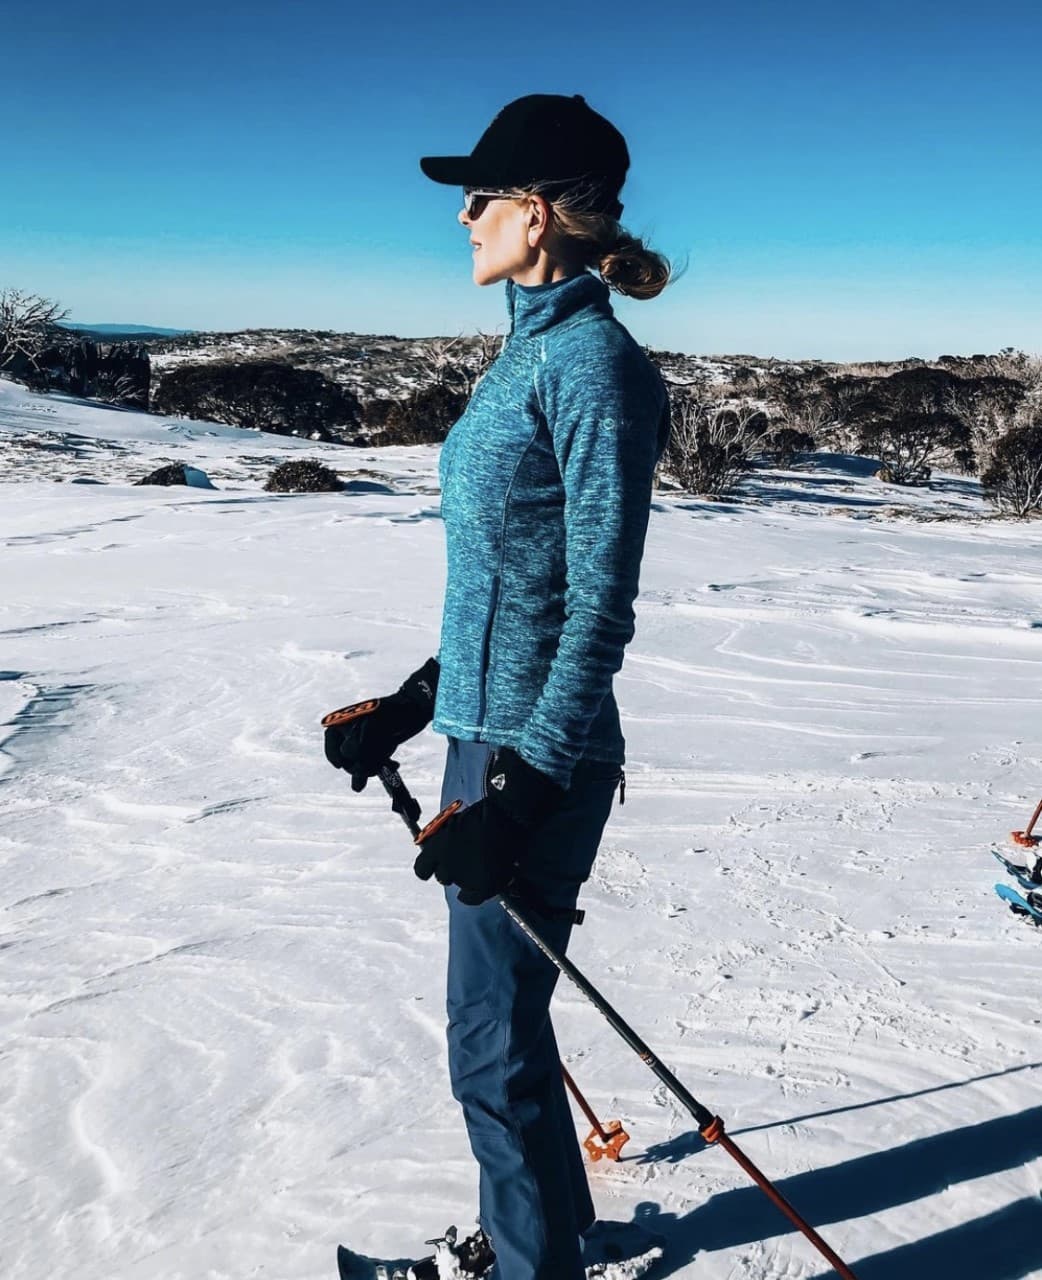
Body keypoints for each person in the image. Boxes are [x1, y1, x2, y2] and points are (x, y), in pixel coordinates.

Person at [325, 93, 672, 1280]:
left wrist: (520, 788)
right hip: (487, 737)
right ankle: (548, 1240)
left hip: (540, 754)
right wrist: (418, 702)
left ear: (536, 215)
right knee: (505, 1035)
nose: (461, 215)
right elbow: (507, 577)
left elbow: (597, 604)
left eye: (479, 196)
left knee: (486, 1046)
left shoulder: (592, 370)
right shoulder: (525, 350)